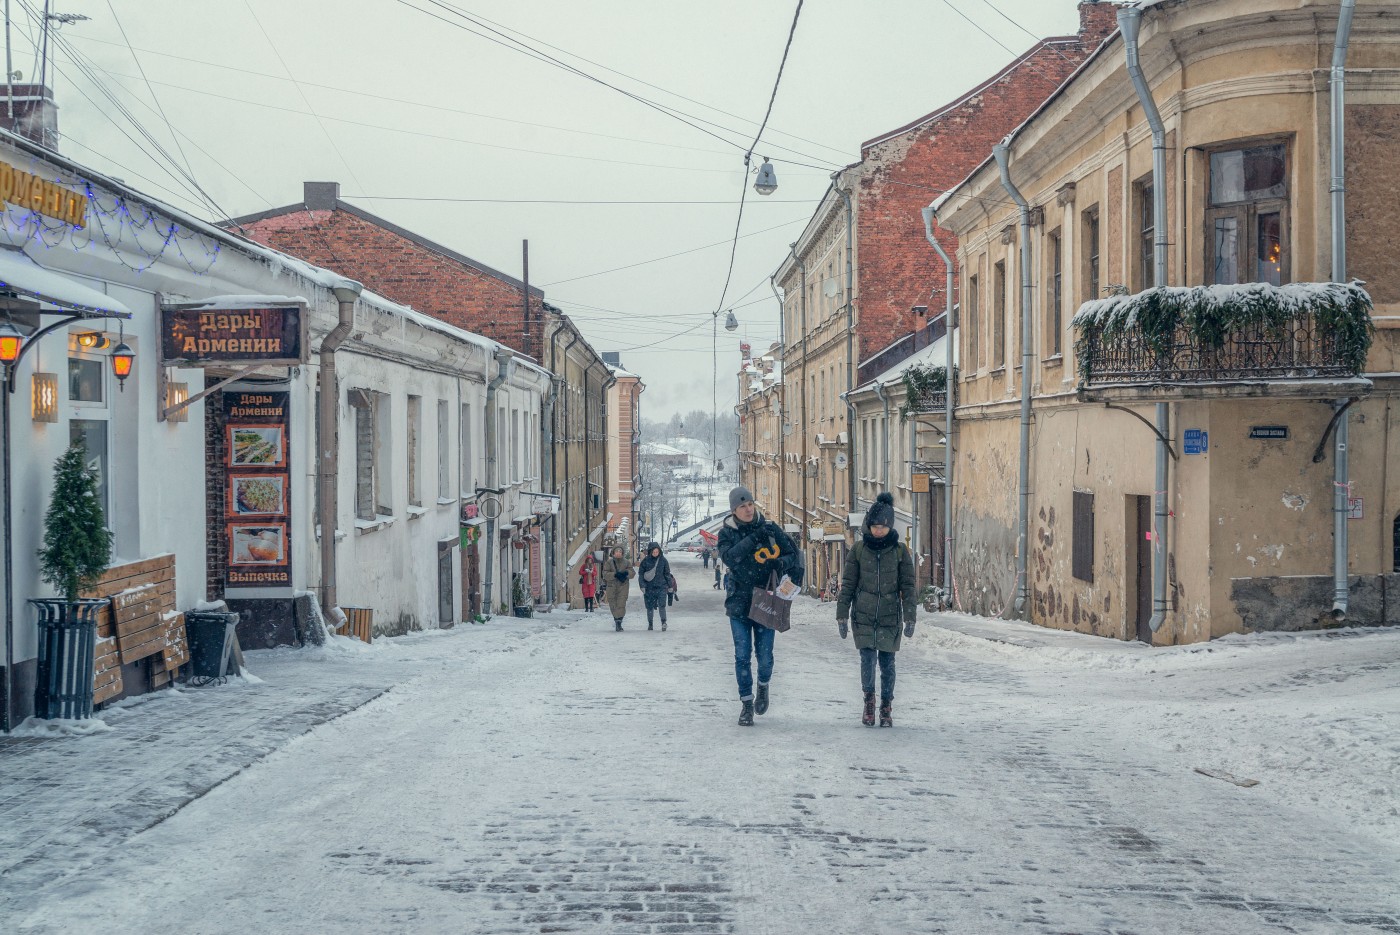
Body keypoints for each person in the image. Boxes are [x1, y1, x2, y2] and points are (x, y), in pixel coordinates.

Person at [717, 486, 803, 726]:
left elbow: (793, 556)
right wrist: (754, 537)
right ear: (734, 510)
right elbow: (730, 557)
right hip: (739, 603)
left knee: (764, 656)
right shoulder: (727, 533)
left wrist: (779, 563)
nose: (748, 509)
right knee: (742, 655)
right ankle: (746, 704)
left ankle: (763, 685)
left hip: (766, 600)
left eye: (750, 504)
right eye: (742, 506)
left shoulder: (771, 528)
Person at [836, 492, 917, 728]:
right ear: (868, 526)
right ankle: (869, 701)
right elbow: (848, 584)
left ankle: (886, 706)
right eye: (874, 526)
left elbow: (909, 586)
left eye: (882, 526)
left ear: (889, 526)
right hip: (863, 615)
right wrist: (841, 614)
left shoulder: (900, 552)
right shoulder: (859, 550)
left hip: (890, 616)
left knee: (888, 664)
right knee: (868, 660)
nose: (878, 531)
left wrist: (911, 616)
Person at [638, 541, 672, 631]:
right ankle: (650, 623)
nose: (655, 554)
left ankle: (663, 622)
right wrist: (642, 586)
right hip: (649, 588)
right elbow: (641, 574)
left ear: (659, 551)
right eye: (653, 552)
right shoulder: (645, 561)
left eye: (657, 552)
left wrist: (670, 586)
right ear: (650, 552)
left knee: (662, 605)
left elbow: (667, 574)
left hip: (661, 586)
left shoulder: (663, 560)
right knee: (649, 606)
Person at [602, 545, 632, 631]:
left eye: (620, 552)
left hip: (623, 586)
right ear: (613, 553)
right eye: (617, 552)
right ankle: (616, 620)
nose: (618, 553)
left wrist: (626, 573)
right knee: (613, 605)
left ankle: (619, 621)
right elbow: (605, 574)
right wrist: (614, 575)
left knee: (621, 604)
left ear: (622, 553)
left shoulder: (626, 562)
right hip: (612, 587)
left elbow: (632, 573)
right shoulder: (609, 562)